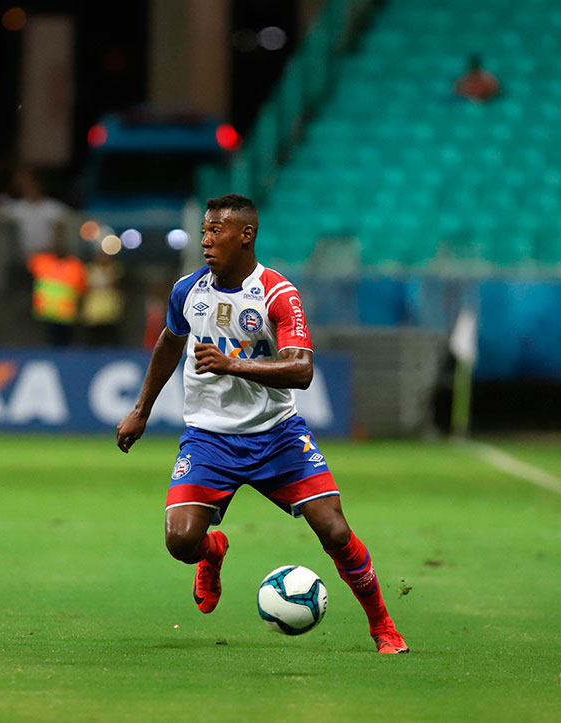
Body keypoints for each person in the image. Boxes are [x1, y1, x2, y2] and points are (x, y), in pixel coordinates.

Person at [115, 194, 409, 654]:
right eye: (204, 231)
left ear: (246, 235)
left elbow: (302, 370)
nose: (206, 240)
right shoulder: (187, 291)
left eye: (216, 231)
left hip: (277, 437)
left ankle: (383, 626)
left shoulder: (277, 293)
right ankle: (213, 553)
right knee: (180, 540)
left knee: (333, 529)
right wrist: (141, 410)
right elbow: (169, 345)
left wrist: (231, 366)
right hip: (209, 439)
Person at [27, 223, 86, 347]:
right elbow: (30, 260)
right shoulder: (43, 262)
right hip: (47, 311)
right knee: (51, 339)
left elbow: (81, 286)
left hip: (66, 312)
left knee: (65, 340)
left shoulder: (74, 265)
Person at [0, 167, 71, 259]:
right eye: (23, 183)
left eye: (31, 183)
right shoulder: (17, 208)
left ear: (39, 184)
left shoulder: (53, 208)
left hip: (48, 258)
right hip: (25, 259)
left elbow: (62, 230)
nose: (28, 186)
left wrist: (50, 248)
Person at [82, 251, 125, 346]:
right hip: (94, 313)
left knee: (110, 340)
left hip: (111, 312)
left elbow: (118, 285)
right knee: (93, 341)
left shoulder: (115, 269)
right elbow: (85, 287)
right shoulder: (90, 270)